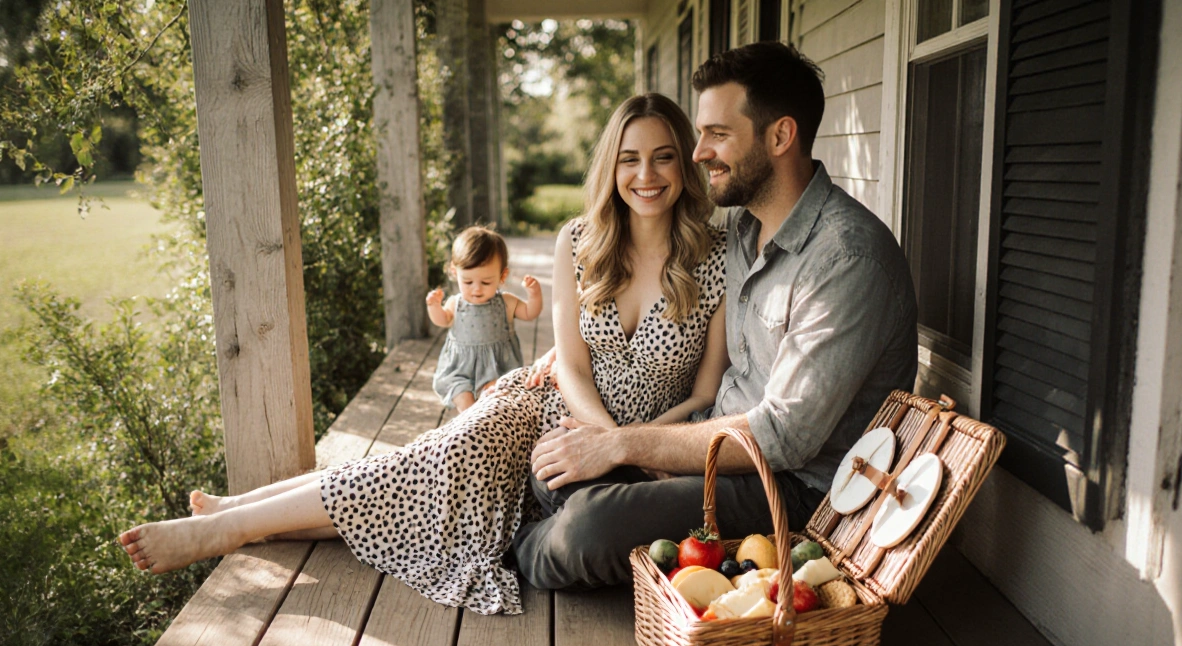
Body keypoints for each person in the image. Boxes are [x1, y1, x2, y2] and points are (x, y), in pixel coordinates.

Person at [117, 93, 729, 616]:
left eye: (662, 156)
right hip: (549, 409)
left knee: (423, 484)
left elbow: (704, 394)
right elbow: (567, 362)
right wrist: (597, 437)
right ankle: (230, 523)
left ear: (684, 162)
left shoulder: (719, 257)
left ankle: (239, 514)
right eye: (629, 159)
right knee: (435, 460)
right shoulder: (580, 240)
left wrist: (629, 445)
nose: (645, 174)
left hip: (643, 438)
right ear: (610, 167)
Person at [512, 41, 919, 591]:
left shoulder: (848, 258)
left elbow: (784, 437)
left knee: (585, 526)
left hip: (788, 489)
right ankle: (597, 523)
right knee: (555, 471)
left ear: (779, 136)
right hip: (712, 454)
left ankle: (524, 548)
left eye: (717, 135)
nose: (698, 152)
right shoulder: (745, 233)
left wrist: (624, 445)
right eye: (700, 134)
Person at [426, 226, 542, 412]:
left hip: (497, 369)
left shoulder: (506, 302)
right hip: (459, 371)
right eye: (468, 282)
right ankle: (467, 424)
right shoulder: (455, 304)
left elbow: (530, 313)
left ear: (502, 276)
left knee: (495, 399)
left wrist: (534, 295)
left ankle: (485, 423)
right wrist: (434, 306)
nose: (476, 289)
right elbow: (442, 320)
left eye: (486, 282)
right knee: (464, 400)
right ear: (455, 273)